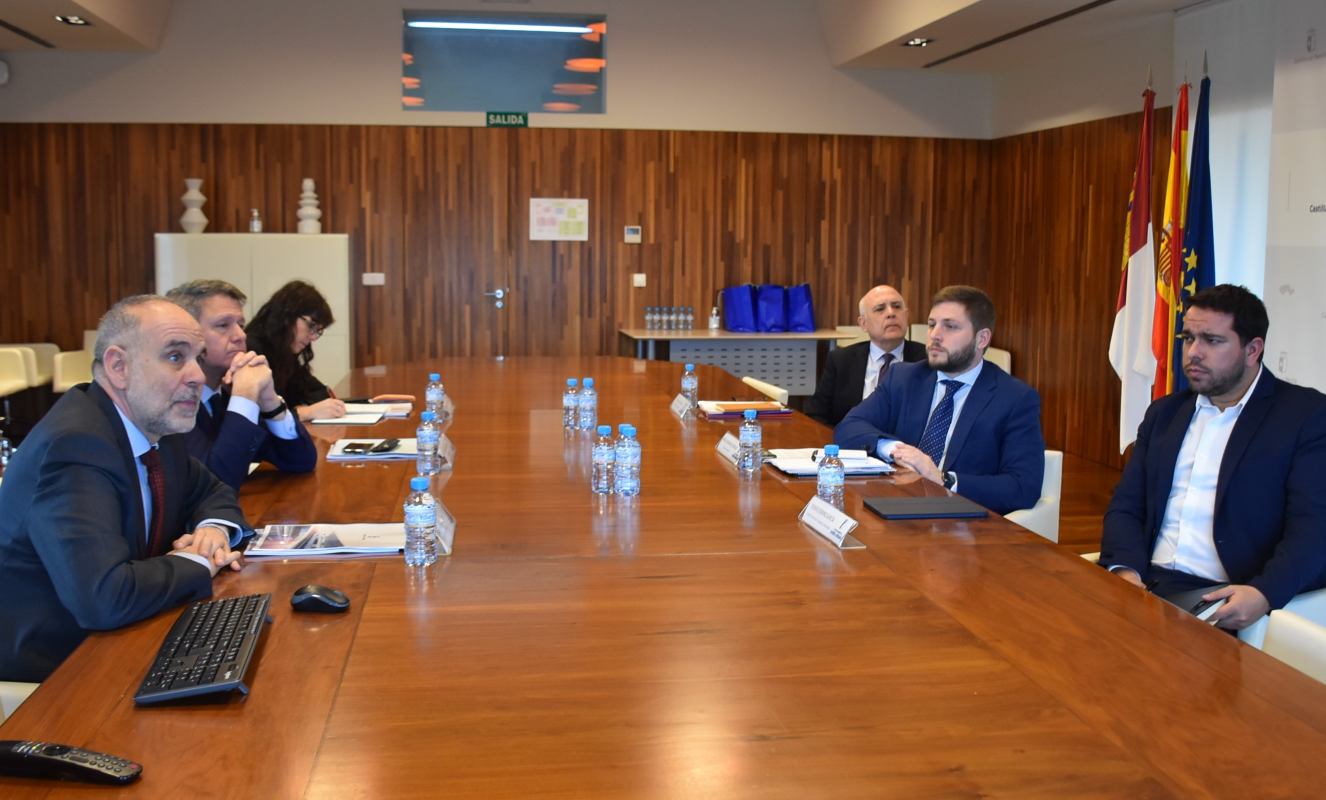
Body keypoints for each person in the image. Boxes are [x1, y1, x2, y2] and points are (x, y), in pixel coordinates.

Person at [0, 296, 249, 682]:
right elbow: (104, 597)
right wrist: (203, 562)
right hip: (54, 675)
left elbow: (210, 489)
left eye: (198, 357)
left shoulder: (155, 425)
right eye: (174, 357)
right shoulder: (76, 446)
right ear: (119, 367)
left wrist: (211, 531)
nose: (198, 375)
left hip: (120, 638)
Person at [1100, 284, 1326, 630]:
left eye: (1212, 341)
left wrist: (1264, 593)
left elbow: (1313, 528)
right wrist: (1126, 570)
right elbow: (1127, 504)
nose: (1193, 352)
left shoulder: (1304, 416)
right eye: (1188, 338)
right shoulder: (1165, 413)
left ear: (1253, 350)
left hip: (1226, 596)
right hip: (1146, 583)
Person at [835, 285, 1044, 514]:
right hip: (896, 507)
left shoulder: (1015, 398)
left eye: (950, 327)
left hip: (965, 527)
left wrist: (943, 479)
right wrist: (897, 450)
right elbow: (849, 427)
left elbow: (1023, 488)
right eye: (932, 324)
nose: (935, 335)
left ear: (982, 338)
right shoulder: (904, 378)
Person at [164, 280, 317, 491]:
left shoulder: (225, 393)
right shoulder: (170, 399)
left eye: (241, 325)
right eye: (223, 325)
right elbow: (214, 484)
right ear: (184, 335)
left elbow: (300, 461)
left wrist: (269, 400)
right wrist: (244, 397)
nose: (240, 336)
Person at [806, 284, 927, 427]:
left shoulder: (927, 360)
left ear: (906, 316)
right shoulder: (840, 361)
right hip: (851, 445)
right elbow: (816, 415)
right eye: (880, 309)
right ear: (863, 323)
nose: (891, 313)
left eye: (897, 306)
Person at [244, 280, 346, 422]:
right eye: (311, 325)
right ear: (287, 315)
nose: (313, 337)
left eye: (318, 331)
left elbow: (316, 392)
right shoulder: (251, 351)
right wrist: (305, 413)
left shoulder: (284, 352)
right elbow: (254, 418)